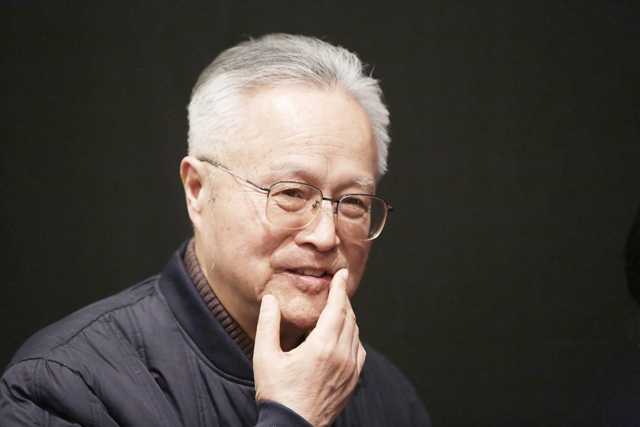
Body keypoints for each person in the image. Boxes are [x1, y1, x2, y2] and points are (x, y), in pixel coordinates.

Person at [0, 34, 430, 427]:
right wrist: (293, 417)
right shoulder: (67, 387)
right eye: (291, 193)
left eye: (353, 202)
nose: (325, 235)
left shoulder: (387, 395)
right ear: (198, 190)